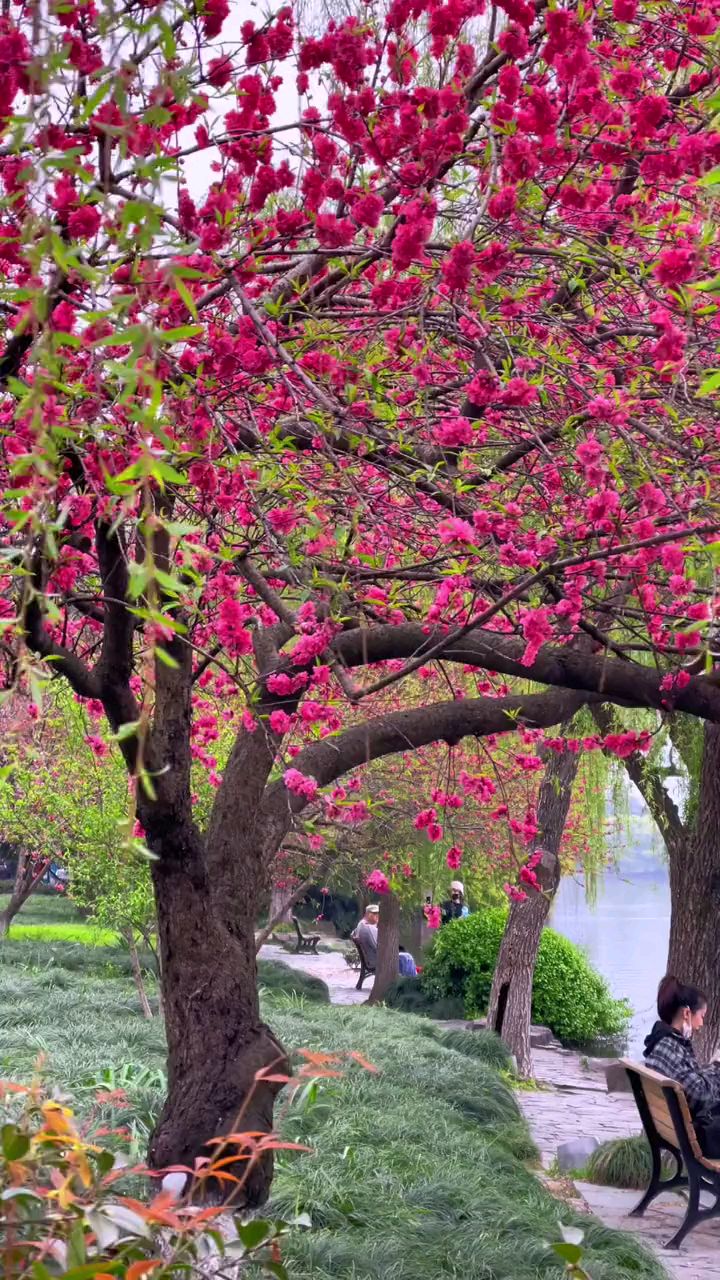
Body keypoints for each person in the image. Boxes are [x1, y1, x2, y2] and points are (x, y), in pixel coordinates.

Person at [644, 974, 720, 1155]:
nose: (701, 1024)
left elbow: (691, 1080)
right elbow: (701, 1095)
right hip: (697, 1137)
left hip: (676, 1130)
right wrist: (717, 1067)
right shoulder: (672, 1048)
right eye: (701, 1016)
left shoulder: (662, 1043)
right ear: (687, 1013)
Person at [352, 904, 379, 969]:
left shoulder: (361, 924)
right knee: (404, 957)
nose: (378, 916)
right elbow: (378, 947)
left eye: (378, 913)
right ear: (368, 914)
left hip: (370, 959)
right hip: (375, 961)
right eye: (375, 914)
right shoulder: (369, 928)